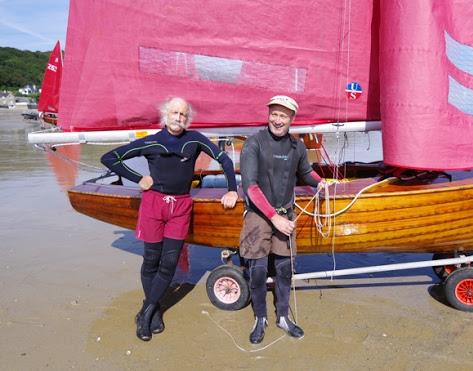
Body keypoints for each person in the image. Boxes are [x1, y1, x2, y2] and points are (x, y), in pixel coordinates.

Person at [101, 97, 238, 341]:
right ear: (166, 115)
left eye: (183, 114)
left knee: (170, 262)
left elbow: (224, 159)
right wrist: (138, 178)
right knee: (151, 259)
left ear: (188, 119)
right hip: (154, 205)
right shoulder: (152, 141)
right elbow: (110, 158)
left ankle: (146, 312)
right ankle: (153, 310)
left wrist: (231, 189)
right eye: (175, 112)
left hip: (181, 206)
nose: (179, 117)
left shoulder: (194, 139)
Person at [239, 95, 326, 344]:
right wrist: (274, 218)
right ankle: (260, 317)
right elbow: (250, 186)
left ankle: (283, 317)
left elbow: (305, 172)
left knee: (284, 270)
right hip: (259, 215)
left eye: (283, 115)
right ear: (268, 114)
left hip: (285, 213)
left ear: (292, 119)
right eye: (274, 114)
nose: (278, 120)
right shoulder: (253, 143)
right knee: (256, 271)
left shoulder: (296, 147)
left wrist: (321, 184)